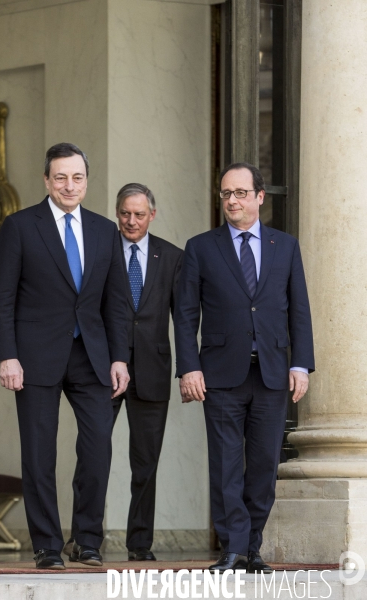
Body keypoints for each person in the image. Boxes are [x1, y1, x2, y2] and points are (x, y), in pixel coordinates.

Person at [0, 143, 130, 570]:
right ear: (47, 180)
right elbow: (2, 299)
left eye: (78, 177)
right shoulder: (19, 227)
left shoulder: (106, 230)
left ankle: (86, 540)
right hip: (34, 357)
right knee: (38, 453)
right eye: (61, 177)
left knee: (97, 449)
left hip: (92, 356)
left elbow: (117, 302)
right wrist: (7, 356)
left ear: (87, 181)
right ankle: (47, 544)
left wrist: (120, 358)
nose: (70, 185)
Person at [174, 162, 314, 574]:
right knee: (225, 465)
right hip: (218, 374)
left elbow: (299, 311)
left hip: (272, 374)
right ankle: (232, 548)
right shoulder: (201, 247)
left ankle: (253, 547)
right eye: (225, 194)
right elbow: (185, 316)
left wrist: (302, 364)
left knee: (264, 466)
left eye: (239, 193)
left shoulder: (284, 247)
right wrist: (189, 367)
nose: (231, 201)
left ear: (259, 197)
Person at [64, 183, 183, 561]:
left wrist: (191, 368)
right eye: (125, 214)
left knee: (146, 462)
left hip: (153, 370)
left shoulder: (173, 257)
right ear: (117, 213)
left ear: (152, 214)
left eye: (139, 214)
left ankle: (140, 544)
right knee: (93, 452)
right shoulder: (100, 249)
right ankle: (85, 539)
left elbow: (183, 319)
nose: (131, 221)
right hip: (103, 368)